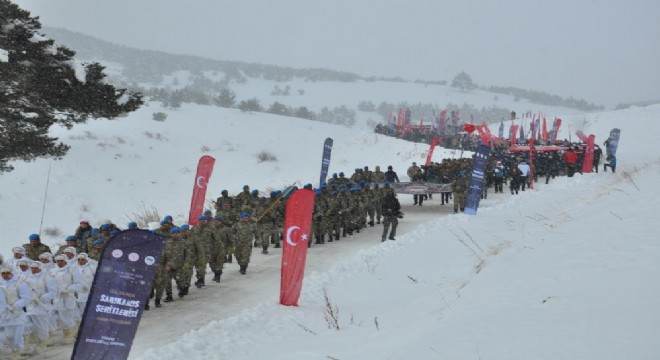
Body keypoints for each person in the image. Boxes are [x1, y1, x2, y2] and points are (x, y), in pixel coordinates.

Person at [0, 267, 31, 359]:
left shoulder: (19, 283)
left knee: (15, 335)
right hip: (2, 315)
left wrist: (15, 306)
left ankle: (16, 351)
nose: (5, 275)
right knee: (4, 335)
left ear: (12, 273)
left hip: (16, 314)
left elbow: (26, 298)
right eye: (3, 273)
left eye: (7, 273)